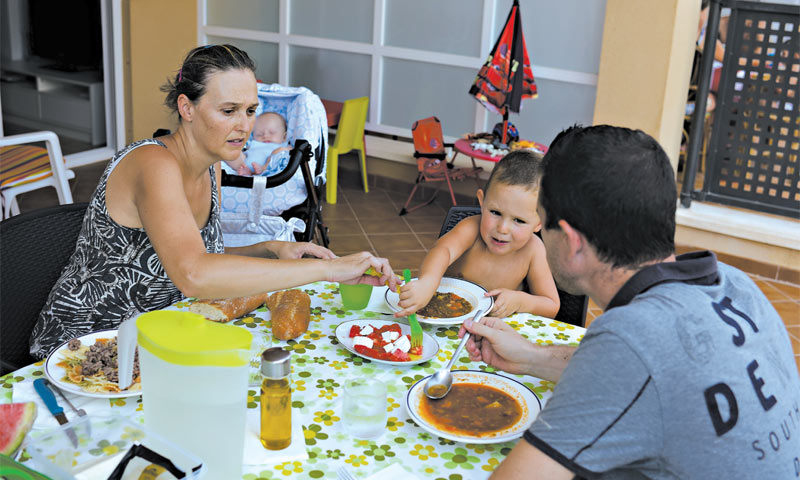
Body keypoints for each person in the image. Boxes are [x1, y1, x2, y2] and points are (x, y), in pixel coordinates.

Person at [461, 125, 800, 478]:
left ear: (574, 243)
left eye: (543, 224)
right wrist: (531, 356)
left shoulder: (631, 337)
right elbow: (649, 375)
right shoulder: (736, 284)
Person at [29, 45, 398, 359]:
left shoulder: (211, 167)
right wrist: (329, 271)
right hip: (85, 350)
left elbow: (203, 252)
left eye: (251, 110)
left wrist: (272, 248)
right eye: (228, 110)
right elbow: (194, 273)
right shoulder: (153, 164)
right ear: (187, 108)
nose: (245, 125)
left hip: (157, 337)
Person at [395, 150, 560, 319]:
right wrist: (428, 282)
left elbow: (551, 306)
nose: (502, 228)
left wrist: (521, 301)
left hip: (493, 333)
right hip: (441, 317)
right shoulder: (471, 229)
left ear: (540, 222)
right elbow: (442, 250)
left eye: (518, 220)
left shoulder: (534, 250)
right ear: (482, 202)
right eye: (495, 212)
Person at [224, 111, 292, 176]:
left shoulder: (284, 145)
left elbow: (293, 153)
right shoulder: (253, 143)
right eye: (259, 134)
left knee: (280, 151)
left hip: (270, 169)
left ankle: (263, 168)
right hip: (246, 164)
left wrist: (289, 150)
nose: (265, 136)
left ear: (284, 136)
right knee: (231, 152)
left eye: (272, 133)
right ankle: (248, 171)